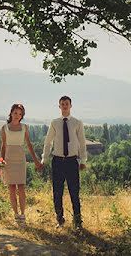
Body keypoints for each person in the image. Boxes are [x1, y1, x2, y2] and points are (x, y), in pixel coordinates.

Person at [41, 95, 87, 229]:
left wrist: (83, 160)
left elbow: (82, 143)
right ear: (59, 106)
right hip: (58, 162)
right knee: (57, 192)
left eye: (67, 103)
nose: (65, 106)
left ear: (71, 106)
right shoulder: (54, 123)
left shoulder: (77, 122)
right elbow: (48, 142)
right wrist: (45, 158)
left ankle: (78, 222)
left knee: (74, 192)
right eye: (62, 104)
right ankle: (60, 220)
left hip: (72, 161)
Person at [0, 103, 43, 224]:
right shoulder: (4, 128)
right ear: (11, 113)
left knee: (22, 188)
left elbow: (29, 145)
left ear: (22, 115)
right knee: (12, 188)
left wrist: (36, 161)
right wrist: (0, 161)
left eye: (20, 114)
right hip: (8, 160)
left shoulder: (25, 127)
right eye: (15, 113)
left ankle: (23, 215)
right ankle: (16, 215)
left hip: (20, 160)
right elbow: (3, 146)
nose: (17, 115)